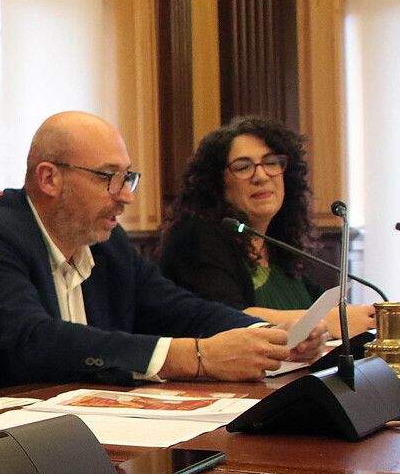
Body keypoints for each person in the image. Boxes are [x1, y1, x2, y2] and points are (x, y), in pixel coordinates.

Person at [0, 111, 304, 390]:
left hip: (76, 437)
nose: (126, 197)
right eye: (109, 178)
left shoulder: (107, 244)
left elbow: (180, 309)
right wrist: (196, 357)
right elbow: (33, 342)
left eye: (128, 177)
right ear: (49, 178)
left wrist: (265, 336)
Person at [159, 116, 377, 335]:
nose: (261, 176)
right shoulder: (195, 237)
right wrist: (330, 321)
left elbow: (318, 307)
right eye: (243, 167)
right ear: (217, 183)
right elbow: (226, 318)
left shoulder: (278, 243)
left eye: (271, 163)